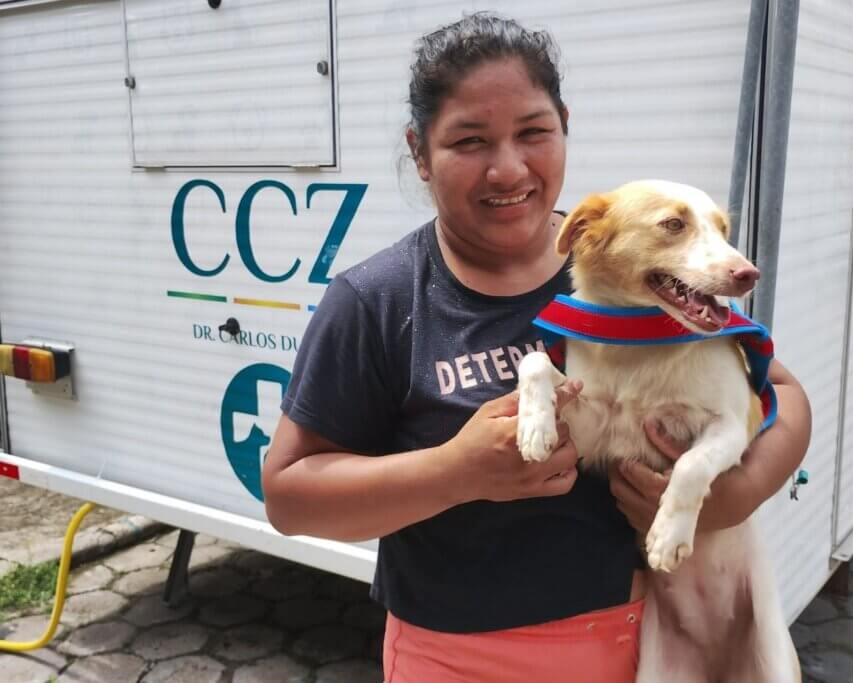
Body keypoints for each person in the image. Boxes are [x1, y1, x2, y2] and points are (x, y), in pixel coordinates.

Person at [262, 12, 811, 683]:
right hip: (449, 659)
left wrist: (737, 493)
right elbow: (289, 496)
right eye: (469, 140)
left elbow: (779, 392)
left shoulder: (629, 270)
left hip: (636, 649)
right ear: (419, 152)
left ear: (564, 125)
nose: (508, 168)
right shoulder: (377, 300)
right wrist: (454, 471)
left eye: (533, 132)